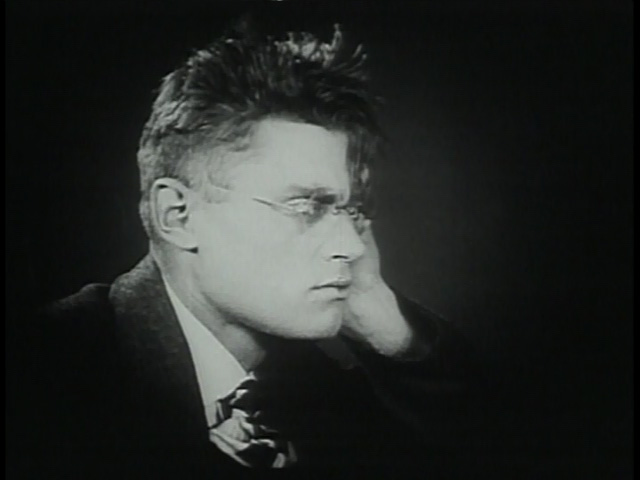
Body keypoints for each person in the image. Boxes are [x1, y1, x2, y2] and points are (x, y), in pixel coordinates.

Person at [8, 17, 481, 478]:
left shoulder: (324, 392)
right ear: (178, 216)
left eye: (350, 210)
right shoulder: (40, 373)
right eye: (304, 205)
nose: (351, 246)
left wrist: (391, 333)